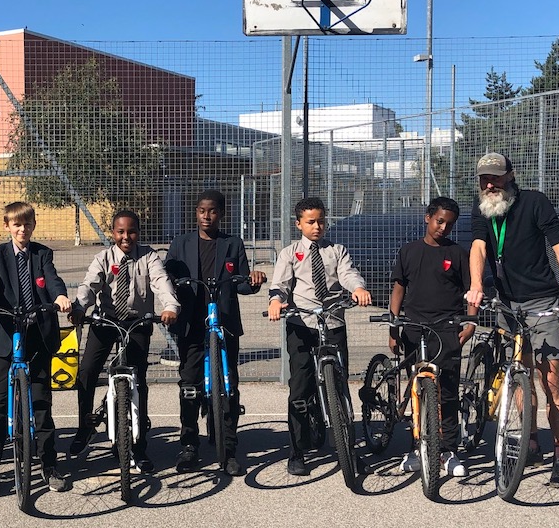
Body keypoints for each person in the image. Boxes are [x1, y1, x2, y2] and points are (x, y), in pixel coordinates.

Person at [464, 152, 559, 488]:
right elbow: (478, 247)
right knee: (519, 374)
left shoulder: (534, 202)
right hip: (506, 304)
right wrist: (476, 286)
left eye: (497, 177)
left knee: (551, 380)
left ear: (510, 176)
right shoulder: (481, 208)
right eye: (485, 178)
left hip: (542, 302)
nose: (491, 184)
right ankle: (531, 442)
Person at [0, 201, 72, 497]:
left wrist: (60, 296)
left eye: (27, 224)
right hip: (6, 332)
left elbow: (52, 280)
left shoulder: (42, 253)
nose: (22, 229)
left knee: (41, 403)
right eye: (16, 225)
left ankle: (49, 465)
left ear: (33, 225)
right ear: (8, 226)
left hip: (37, 333)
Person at [68, 209, 180, 473]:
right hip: (106, 321)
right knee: (86, 372)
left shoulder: (149, 257)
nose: (126, 236)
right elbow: (89, 285)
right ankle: (85, 428)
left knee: (138, 380)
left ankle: (139, 447)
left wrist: (170, 307)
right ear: (113, 233)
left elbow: (161, 283)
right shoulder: (104, 257)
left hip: (137, 323)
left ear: (138, 233)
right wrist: (78, 307)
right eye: (120, 232)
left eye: (131, 231)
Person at [164, 189, 266, 476]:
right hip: (192, 323)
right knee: (189, 384)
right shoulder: (181, 244)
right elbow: (167, 276)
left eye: (212, 211)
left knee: (229, 383)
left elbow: (242, 284)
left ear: (221, 213)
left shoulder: (233, 244)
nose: (206, 216)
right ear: (195, 213)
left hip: (224, 323)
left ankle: (229, 449)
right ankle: (188, 445)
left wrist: (254, 280)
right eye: (201, 211)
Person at [268, 196, 371, 476]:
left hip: (333, 321)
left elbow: (348, 274)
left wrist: (357, 289)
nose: (317, 227)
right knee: (300, 387)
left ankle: (348, 449)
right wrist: (276, 301)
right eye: (311, 222)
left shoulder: (336, 250)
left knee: (340, 388)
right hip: (302, 323)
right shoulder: (290, 253)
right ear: (299, 223)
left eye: (321, 221)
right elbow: (280, 284)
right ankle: (297, 451)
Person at [387, 197, 476, 478]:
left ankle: (449, 450)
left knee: (447, 391)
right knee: (417, 389)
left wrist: (470, 322)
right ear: (428, 218)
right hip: (414, 327)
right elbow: (399, 289)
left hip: (447, 327)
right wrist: (394, 326)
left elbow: (471, 290)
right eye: (439, 221)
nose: (443, 228)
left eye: (449, 224)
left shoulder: (458, 254)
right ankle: (417, 447)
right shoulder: (409, 251)